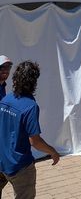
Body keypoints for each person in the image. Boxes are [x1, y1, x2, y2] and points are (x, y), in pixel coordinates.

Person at [0, 61, 60, 199]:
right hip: (19, 167)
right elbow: (35, 141)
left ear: (15, 78)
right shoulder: (30, 106)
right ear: (34, 82)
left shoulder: (5, 99)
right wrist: (53, 152)